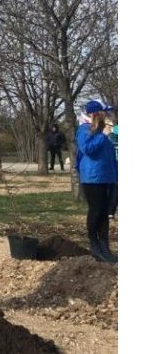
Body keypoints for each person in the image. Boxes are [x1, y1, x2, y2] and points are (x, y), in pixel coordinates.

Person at [75, 100, 118, 263]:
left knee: (105, 213)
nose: (106, 115)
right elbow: (88, 150)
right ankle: (95, 246)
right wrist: (103, 135)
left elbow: (110, 155)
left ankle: (105, 247)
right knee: (96, 211)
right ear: (95, 114)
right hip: (93, 177)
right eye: (104, 112)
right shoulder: (84, 129)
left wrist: (116, 175)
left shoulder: (101, 130)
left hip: (107, 177)